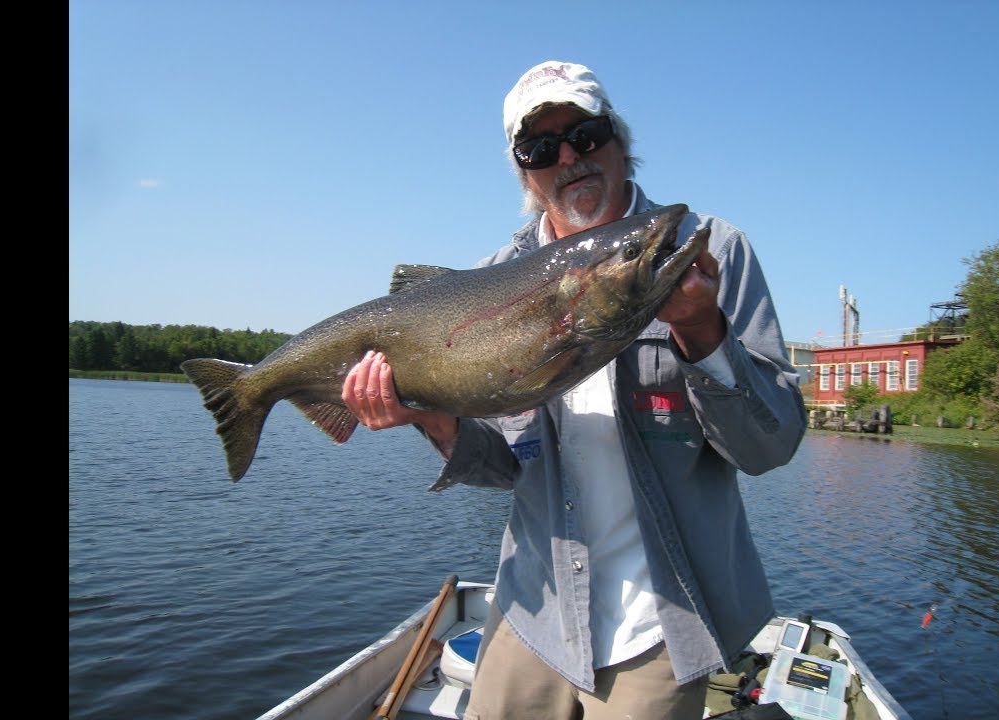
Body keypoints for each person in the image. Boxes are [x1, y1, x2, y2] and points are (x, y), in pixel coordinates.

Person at [341, 60, 807, 719]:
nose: (568, 159)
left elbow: (771, 446)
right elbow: (505, 467)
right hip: (536, 605)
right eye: (539, 148)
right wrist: (436, 422)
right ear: (524, 172)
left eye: (585, 136)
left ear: (619, 139)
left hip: (663, 622)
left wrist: (701, 326)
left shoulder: (707, 252)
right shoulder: (491, 282)